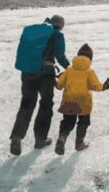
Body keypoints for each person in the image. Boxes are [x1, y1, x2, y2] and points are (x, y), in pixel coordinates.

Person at [9, 15, 69, 156]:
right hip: (45, 75)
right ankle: (40, 139)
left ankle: (17, 137)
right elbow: (60, 56)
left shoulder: (34, 32)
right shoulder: (57, 36)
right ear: (60, 25)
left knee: (26, 105)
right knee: (45, 105)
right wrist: (70, 69)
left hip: (27, 73)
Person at [53, 43, 109, 154]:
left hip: (69, 100)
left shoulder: (69, 69)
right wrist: (104, 87)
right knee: (83, 122)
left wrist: (55, 81)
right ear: (90, 58)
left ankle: (62, 139)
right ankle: (79, 143)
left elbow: (59, 86)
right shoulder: (89, 71)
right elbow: (96, 86)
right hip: (84, 102)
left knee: (67, 122)